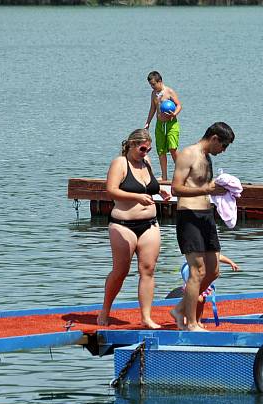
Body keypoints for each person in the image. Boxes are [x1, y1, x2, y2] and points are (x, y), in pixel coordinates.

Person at [98, 129, 171, 328]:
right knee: (121, 271)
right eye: (142, 148)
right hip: (123, 225)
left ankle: (146, 317)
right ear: (131, 144)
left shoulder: (147, 163)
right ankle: (105, 310)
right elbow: (111, 190)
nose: (145, 152)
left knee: (148, 269)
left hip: (149, 224)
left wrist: (161, 191)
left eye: (148, 149)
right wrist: (136, 197)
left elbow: (150, 187)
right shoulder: (120, 163)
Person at [170, 122, 235, 332]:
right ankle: (191, 323)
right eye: (223, 146)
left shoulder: (207, 158)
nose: (223, 151)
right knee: (197, 271)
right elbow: (176, 188)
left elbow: (204, 187)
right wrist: (206, 189)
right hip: (189, 216)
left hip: (207, 216)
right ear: (214, 138)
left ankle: (180, 309)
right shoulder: (188, 154)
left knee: (213, 271)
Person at [144, 71, 182, 182]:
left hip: (171, 124)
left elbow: (179, 105)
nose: (152, 87)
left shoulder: (169, 91)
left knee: (172, 148)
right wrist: (148, 122)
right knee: (161, 150)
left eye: (154, 84)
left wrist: (174, 114)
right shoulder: (153, 94)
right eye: (151, 85)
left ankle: (181, 174)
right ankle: (164, 176)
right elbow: (153, 108)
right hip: (159, 125)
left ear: (160, 81)